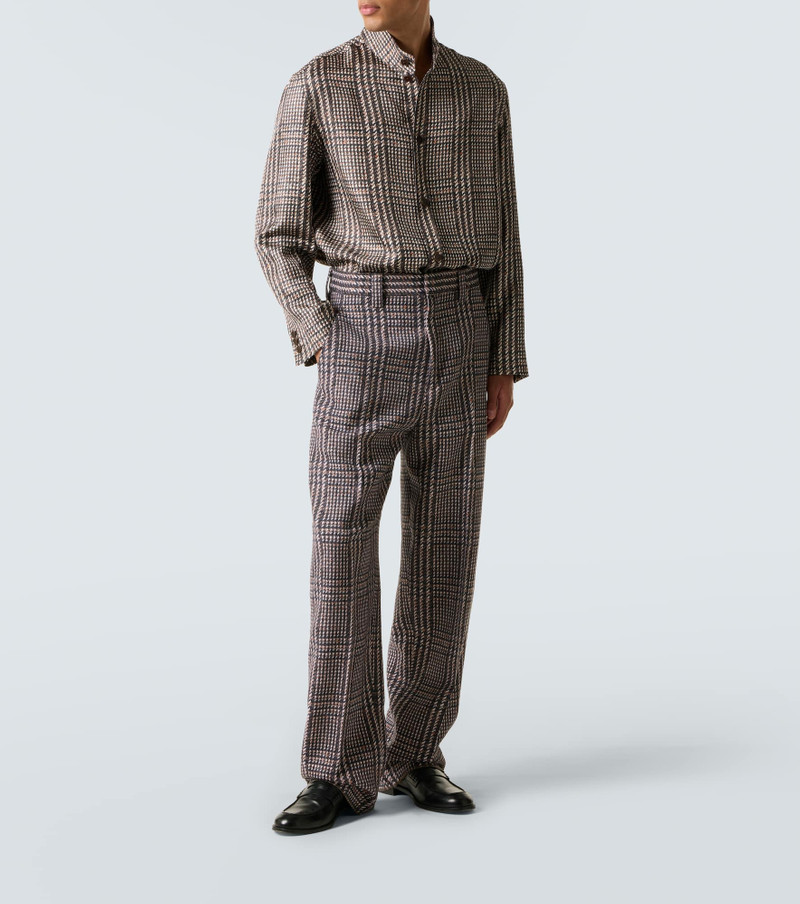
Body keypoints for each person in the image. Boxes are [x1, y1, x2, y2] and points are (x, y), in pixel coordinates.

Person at [254, 0, 529, 835]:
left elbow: (507, 235)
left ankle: (415, 751)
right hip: (360, 328)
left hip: (461, 326)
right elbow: (277, 234)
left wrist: (502, 357)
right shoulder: (319, 84)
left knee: (446, 547)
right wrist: (323, 335)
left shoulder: (482, 90)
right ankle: (337, 769)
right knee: (341, 548)